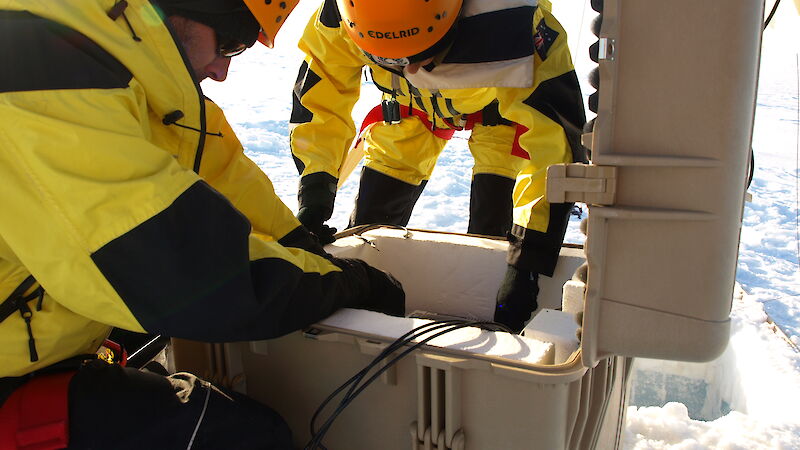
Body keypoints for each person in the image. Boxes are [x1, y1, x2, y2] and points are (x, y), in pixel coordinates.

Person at [0, 0, 404, 448]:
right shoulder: (37, 73)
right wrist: (346, 284)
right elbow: (180, 271)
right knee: (241, 437)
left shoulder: (127, 75)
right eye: (230, 43)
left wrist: (303, 247)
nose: (221, 72)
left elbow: (226, 175)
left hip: (37, 344)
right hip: (11, 372)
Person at [289, 0, 587, 332]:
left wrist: (529, 259)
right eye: (390, 61)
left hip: (502, 118)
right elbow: (321, 98)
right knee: (369, 228)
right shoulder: (344, 13)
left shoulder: (512, 20)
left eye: (420, 55)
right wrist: (315, 190)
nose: (412, 69)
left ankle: (498, 316)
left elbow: (552, 141)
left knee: (493, 242)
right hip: (408, 113)